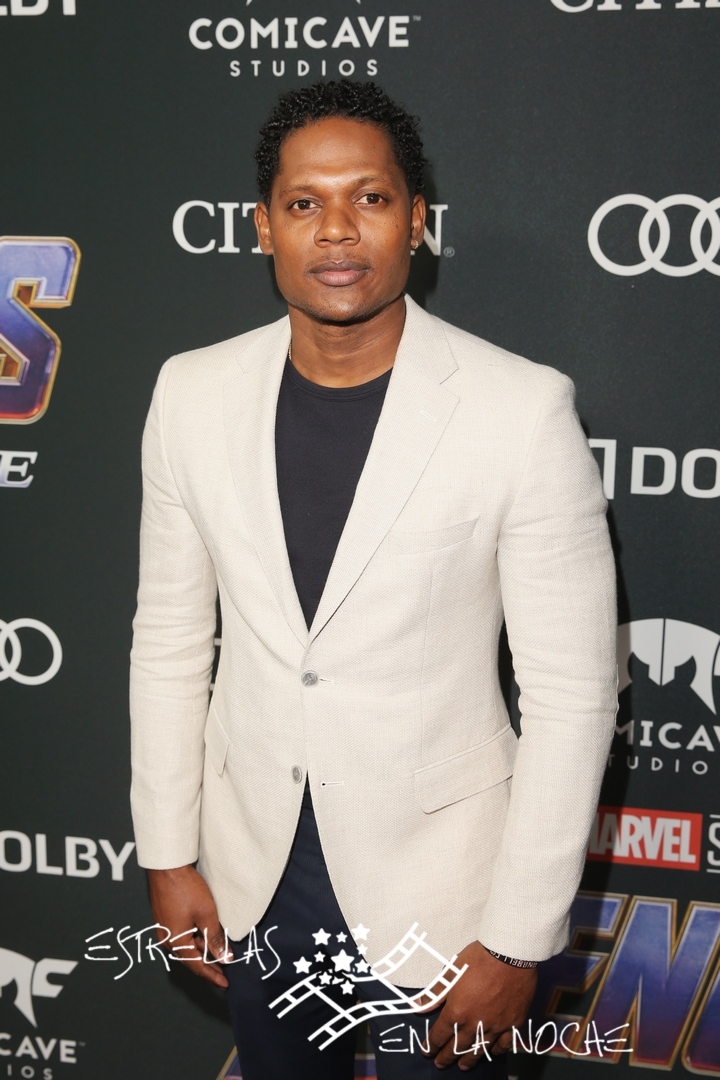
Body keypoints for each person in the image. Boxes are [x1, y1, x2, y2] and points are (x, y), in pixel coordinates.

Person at [129, 80, 617, 1078]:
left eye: (371, 198)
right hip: (257, 872)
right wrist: (167, 851)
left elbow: (572, 694)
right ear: (263, 227)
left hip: (447, 890)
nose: (338, 231)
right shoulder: (190, 393)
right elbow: (171, 641)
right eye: (304, 203)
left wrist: (519, 937)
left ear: (418, 220)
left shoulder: (521, 410)